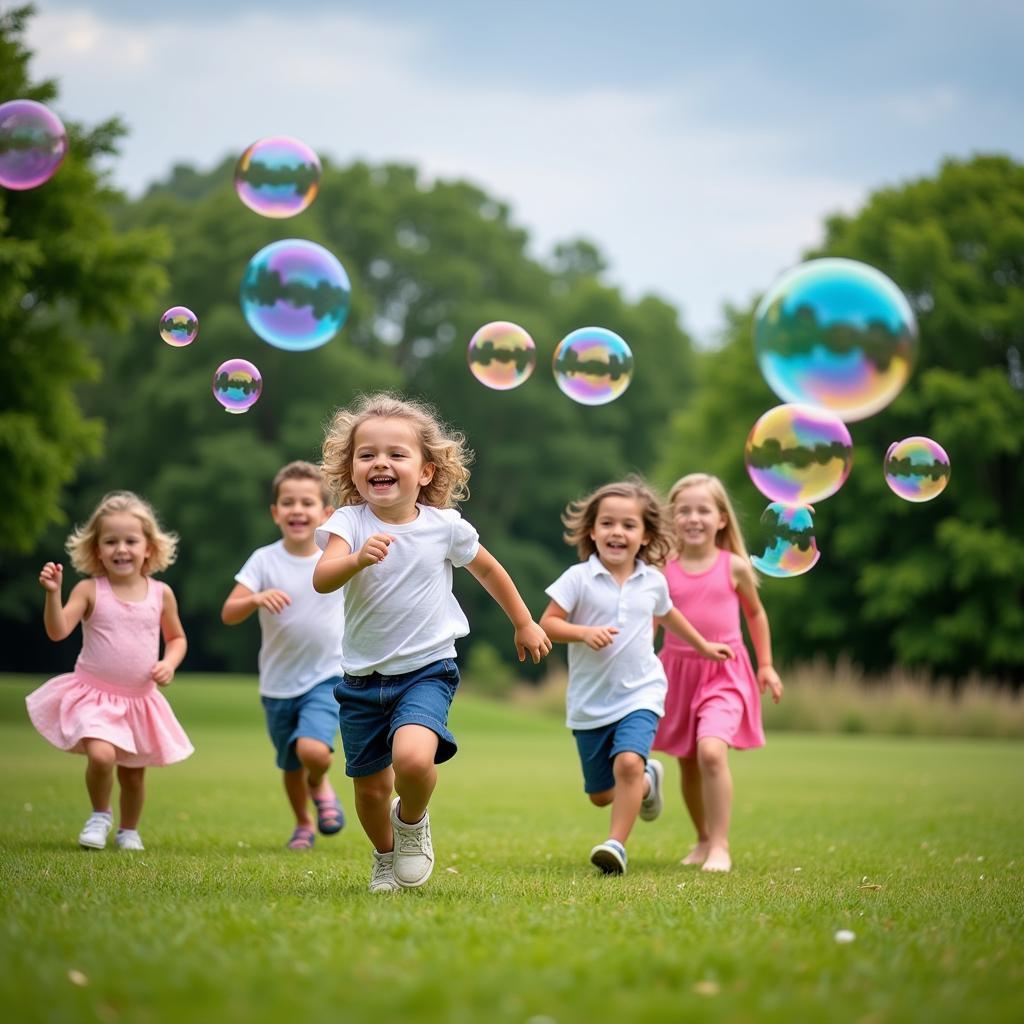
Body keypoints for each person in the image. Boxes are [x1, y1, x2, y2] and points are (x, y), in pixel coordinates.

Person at [313, 392, 551, 893]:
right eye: (367, 454)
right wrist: (355, 559)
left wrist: (524, 621)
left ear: (425, 471)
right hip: (361, 679)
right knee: (371, 788)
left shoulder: (444, 527)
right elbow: (322, 577)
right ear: (351, 468)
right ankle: (383, 858)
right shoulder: (348, 523)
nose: (381, 462)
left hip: (427, 670)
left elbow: (488, 569)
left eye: (397, 454)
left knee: (415, 761)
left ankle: (413, 823)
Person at [539, 479, 734, 876]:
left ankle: (616, 845)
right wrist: (582, 633)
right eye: (608, 523)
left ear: (645, 536)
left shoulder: (653, 581)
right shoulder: (577, 578)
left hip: (641, 692)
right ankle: (648, 782)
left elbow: (670, 615)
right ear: (592, 531)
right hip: (590, 701)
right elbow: (548, 624)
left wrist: (702, 646)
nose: (617, 532)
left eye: (629, 526)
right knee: (600, 794)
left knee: (627, 762)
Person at [26, 491, 193, 851]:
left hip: (139, 701)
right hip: (94, 696)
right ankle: (100, 814)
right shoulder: (89, 590)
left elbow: (177, 638)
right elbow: (57, 631)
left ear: (148, 547)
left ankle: (128, 830)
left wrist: (169, 662)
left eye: (131, 541)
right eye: (111, 541)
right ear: (96, 549)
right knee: (102, 756)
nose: (121, 549)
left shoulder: (160, 593)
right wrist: (53, 594)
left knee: (133, 775)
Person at [654, 473, 783, 873]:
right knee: (688, 761)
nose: (693, 518)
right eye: (683, 510)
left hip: (725, 671)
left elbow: (755, 613)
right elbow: (653, 622)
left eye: (703, 510)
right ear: (671, 519)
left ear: (722, 519)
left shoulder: (735, 567)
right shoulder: (662, 569)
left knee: (711, 751)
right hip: (676, 672)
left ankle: (721, 846)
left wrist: (765, 665)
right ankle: (703, 838)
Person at [221, 461, 347, 851]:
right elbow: (229, 612)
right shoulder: (264, 560)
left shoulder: (335, 557)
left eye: (307, 502)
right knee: (290, 763)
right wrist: (256, 597)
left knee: (312, 751)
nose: (297, 510)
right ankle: (303, 823)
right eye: (288, 502)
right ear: (275, 512)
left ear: (326, 513)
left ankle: (320, 782)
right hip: (277, 684)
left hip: (327, 675)